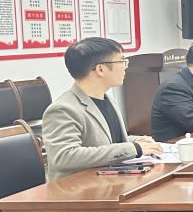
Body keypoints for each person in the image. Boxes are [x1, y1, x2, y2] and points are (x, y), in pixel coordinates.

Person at [41, 37, 163, 181]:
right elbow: (64, 156)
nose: (125, 67)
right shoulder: (63, 109)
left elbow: (104, 142)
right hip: (79, 188)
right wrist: (133, 148)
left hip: (111, 181)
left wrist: (135, 141)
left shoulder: (107, 99)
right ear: (100, 69)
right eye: (121, 61)